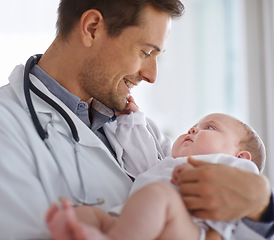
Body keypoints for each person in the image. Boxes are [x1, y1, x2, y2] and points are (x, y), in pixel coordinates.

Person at [0, 0, 273, 239]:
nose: (152, 75)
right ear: (92, 28)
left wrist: (262, 210)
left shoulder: (135, 126)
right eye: (145, 52)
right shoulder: (7, 126)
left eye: (157, 57)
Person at [45, 111, 265, 240]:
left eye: (210, 127)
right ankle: (80, 229)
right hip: (133, 222)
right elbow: (141, 158)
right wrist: (131, 119)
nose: (192, 130)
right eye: (193, 126)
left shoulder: (236, 169)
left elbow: (250, 194)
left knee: (159, 195)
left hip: (189, 229)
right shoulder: (167, 163)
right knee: (88, 214)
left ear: (240, 157)